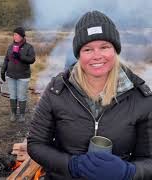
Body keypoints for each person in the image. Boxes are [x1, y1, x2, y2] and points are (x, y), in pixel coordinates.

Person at [27, 10, 152, 180]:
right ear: (78, 54)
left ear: (115, 49)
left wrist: (128, 172)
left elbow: (148, 160)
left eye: (104, 47)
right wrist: (72, 165)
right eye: (88, 49)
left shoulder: (139, 96)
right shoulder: (57, 90)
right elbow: (36, 144)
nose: (97, 56)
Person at [1, 27, 36, 122]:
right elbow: (6, 60)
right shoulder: (10, 46)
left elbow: (32, 60)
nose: (14, 36)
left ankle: (21, 115)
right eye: (14, 34)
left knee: (22, 96)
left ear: (22, 36)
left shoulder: (29, 47)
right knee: (13, 95)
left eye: (16, 35)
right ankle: (13, 113)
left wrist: (21, 56)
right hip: (11, 75)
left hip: (23, 76)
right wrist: (3, 71)